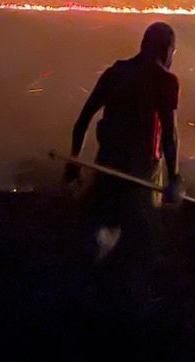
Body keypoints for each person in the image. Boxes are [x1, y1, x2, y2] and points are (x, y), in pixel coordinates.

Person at [65, 20, 183, 266]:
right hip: (142, 172)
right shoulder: (164, 81)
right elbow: (169, 134)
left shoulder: (115, 73)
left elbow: (82, 121)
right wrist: (174, 177)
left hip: (108, 164)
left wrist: (74, 162)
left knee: (102, 232)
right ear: (167, 49)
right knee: (145, 242)